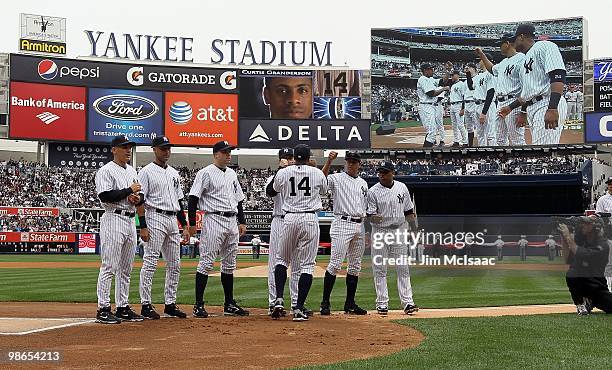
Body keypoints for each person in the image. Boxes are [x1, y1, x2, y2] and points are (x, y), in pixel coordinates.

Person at [266, 144, 328, 321]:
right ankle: (298, 308)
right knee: (307, 265)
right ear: (309, 158)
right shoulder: (316, 173)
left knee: (281, 260)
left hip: (290, 217)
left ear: (294, 157)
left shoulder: (284, 173)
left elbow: (273, 191)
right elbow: (323, 191)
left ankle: (278, 299)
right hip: (309, 218)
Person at [188, 140, 249, 318]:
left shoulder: (232, 174)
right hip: (214, 218)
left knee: (229, 264)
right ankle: (198, 304)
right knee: (206, 262)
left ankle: (229, 303)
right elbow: (193, 199)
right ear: (216, 154)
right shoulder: (205, 173)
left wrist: (242, 221)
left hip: (231, 220)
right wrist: (192, 223)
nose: (228, 155)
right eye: (225, 152)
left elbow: (239, 200)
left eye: (229, 152)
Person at [137, 136, 190, 320]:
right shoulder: (146, 172)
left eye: (168, 148)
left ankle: (170, 304)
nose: (166, 151)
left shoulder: (174, 173)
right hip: (154, 216)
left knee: (175, 264)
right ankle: (145, 304)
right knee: (150, 261)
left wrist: (184, 225)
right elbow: (140, 200)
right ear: (154, 149)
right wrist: (142, 225)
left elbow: (178, 201)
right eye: (163, 148)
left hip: (172, 219)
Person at [94, 135, 144, 324]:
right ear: (114, 149)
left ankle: (122, 307)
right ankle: (103, 308)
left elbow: (140, 196)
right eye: (124, 147)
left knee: (126, 268)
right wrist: (129, 191)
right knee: (109, 266)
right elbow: (105, 195)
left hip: (130, 221)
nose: (128, 150)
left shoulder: (132, 170)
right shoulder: (105, 170)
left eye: (129, 147)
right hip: (113, 218)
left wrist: (135, 198)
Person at [499, 23, 567, 145]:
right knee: (539, 149)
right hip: (533, 106)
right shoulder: (525, 58)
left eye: (515, 40)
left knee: (544, 151)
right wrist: (510, 108)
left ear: (521, 37)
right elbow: (526, 95)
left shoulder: (544, 46)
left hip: (547, 102)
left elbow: (558, 75)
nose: (514, 44)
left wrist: (552, 108)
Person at [319, 151, 369, 316]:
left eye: (354, 162)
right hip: (342, 223)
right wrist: (328, 161)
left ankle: (350, 303)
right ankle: (325, 302)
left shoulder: (363, 183)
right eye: (348, 161)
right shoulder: (337, 177)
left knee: (355, 267)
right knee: (335, 264)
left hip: (359, 225)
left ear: (359, 164)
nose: (350, 164)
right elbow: (322, 183)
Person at [366, 161, 419, 315]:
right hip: (380, 232)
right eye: (380, 172)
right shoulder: (373, 191)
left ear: (392, 173)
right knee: (380, 269)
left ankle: (408, 303)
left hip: (399, 231)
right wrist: (373, 217)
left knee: (403, 268)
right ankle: (382, 303)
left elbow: (409, 210)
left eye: (385, 172)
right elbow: (370, 215)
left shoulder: (402, 187)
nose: (381, 175)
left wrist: (414, 229)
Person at [264, 148, 302, 317]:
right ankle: (274, 303)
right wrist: (280, 171)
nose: (289, 160)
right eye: (286, 158)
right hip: (280, 220)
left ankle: (296, 304)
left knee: (297, 265)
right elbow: (270, 192)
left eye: (291, 157)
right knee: (275, 264)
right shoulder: (274, 177)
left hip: (296, 220)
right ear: (280, 160)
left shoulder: (301, 176)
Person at [476, 34, 526, 146]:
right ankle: (504, 163)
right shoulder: (503, 63)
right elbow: (491, 69)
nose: (499, 47)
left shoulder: (522, 58)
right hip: (500, 103)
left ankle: (521, 163)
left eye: (501, 44)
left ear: (508, 43)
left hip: (514, 103)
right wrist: (482, 55)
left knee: (517, 139)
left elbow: (526, 88)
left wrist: (523, 111)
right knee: (500, 140)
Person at [558, 216, 612, 314]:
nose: (583, 225)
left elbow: (581, 253)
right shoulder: (581, 241)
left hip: (596, 285)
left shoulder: (603, 245)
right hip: (582, 281)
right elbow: (567, 259)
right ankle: (581, 304)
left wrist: (568, 237)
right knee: (572, 273)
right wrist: (563, 238)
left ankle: (590, 301)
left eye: (587, 223)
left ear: (596, 227)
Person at [417, 63, 450, 147]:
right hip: (426, 106)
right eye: (430, 69)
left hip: (430, 106)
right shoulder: (423, 79)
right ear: (425, 70)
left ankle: (426, 153)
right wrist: (443, 89)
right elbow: (431, 93)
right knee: (432, 131)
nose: (432, 70)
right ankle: (426, 154)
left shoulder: (430, 79)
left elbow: (443, 81)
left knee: (431, 131)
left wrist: (448, 71)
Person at [448, 70, 468, 147]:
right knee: (454, 125)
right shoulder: (453, 85)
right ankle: (456, 141)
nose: (451, 76)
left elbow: (464, 97)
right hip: (452, 105)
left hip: (459, 105)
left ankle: (465, 141)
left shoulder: (461, 84)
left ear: (457, 75)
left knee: (460, 124)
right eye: (451, 75)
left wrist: (463, 108)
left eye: (453, 75)